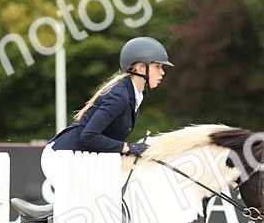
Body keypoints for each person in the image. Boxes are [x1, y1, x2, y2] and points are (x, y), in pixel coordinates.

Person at [40, 36, 172, 185]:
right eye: (157, 67)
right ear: (141, 68)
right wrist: (127, 147)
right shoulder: (120, 96)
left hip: (81, 157)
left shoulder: (134, 94)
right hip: (63, 156)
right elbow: (89, 136)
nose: (162, 72)